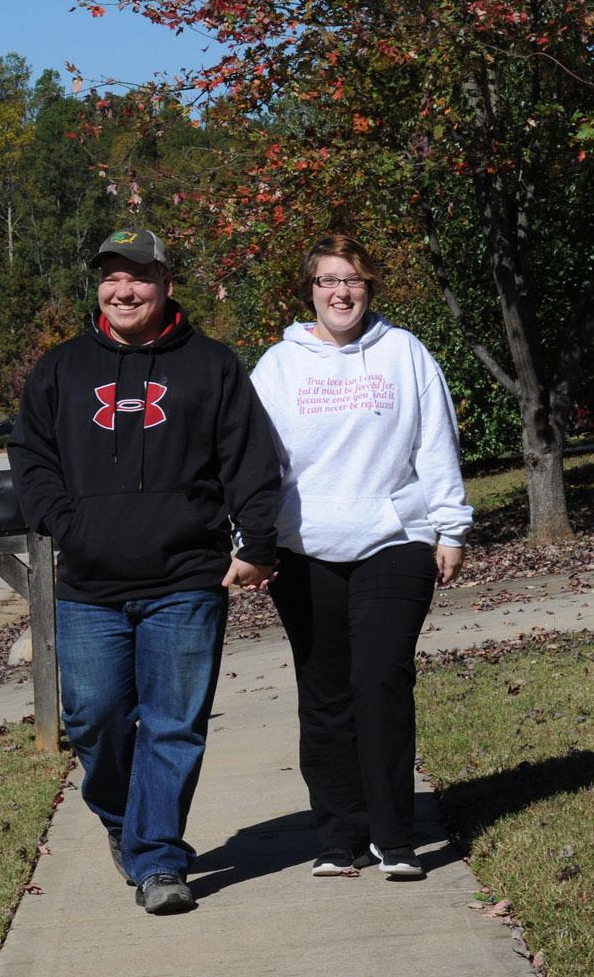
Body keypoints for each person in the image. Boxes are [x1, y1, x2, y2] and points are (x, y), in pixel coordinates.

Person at [8, 226, 280, 914]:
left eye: (138, 277)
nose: (123, 289)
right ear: (99, 285)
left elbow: (248, 460)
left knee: (172, 724)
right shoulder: (60, 368)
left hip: (185, 579)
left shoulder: (211, 365)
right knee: (95, 718)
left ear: (165, 285)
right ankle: (123, 821)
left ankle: (158, 859)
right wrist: (65, 523)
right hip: (89, 585)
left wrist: (256, 544)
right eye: (111, 276)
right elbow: (30, 458)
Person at [251, 234, 472, 879]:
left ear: (369, 288)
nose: (340, 292)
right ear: (309, 291)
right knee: (324, 691)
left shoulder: (404, 353)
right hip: (304, 548)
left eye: (352, 280)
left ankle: (395, 836)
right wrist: (254, 541)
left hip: (394, 539)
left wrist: (450, 528)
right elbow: (255, 462)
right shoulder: (277, 366)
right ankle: (338, 834)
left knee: (380, 679)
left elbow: (436, 443)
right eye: (327, 280)